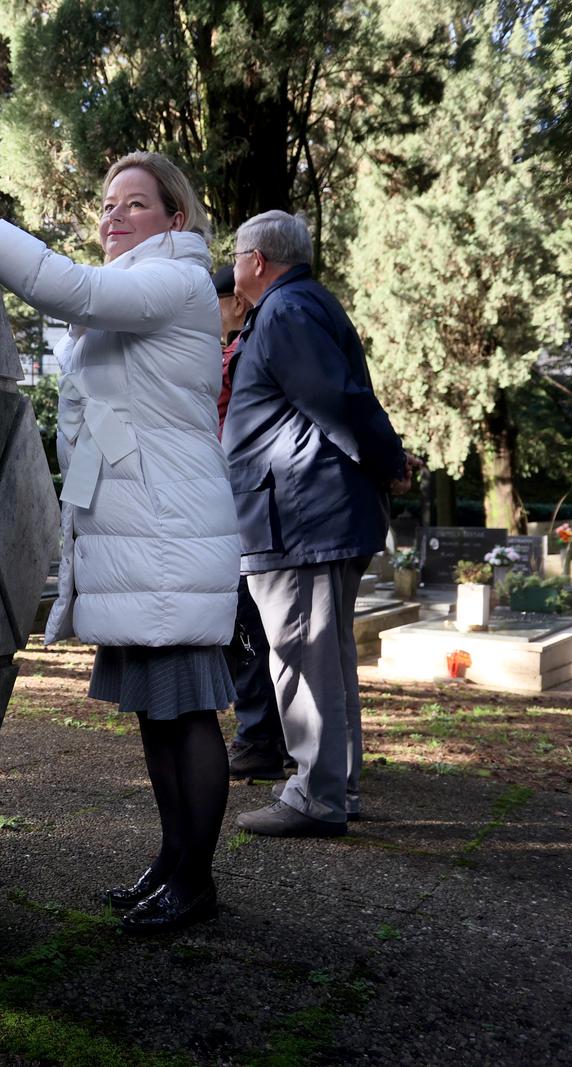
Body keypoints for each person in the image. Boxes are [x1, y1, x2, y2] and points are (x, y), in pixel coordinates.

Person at [0, 153, 240, 934]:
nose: (114, 216)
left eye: (135, 204)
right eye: (107, 204)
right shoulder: (136, 291)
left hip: (169, 531)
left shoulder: (177, 280)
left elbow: (70, 284)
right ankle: (173, 862)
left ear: (176, 219)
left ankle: (197, 879)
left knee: (186, 711)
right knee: (159, 714)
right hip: (140, 532)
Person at [222, 211, 418, 837]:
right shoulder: (297, 305)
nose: (231, 267)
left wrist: (389, 463)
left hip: (300, 517)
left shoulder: (284, 312)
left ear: (256, 259)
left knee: (302, 658)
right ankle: (334, 790)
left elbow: (338, 403)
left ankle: (315, 796)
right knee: (322, 660)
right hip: (305, 513)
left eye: (235, 255)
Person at [213, 267, 288, 779]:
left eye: (210, 299)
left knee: (246, 623)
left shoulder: (243, 355)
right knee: (244, 623)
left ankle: (260, 737)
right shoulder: (227, 352)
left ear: (237, 303)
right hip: (228, 501)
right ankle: (268, 735)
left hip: (242, 502)